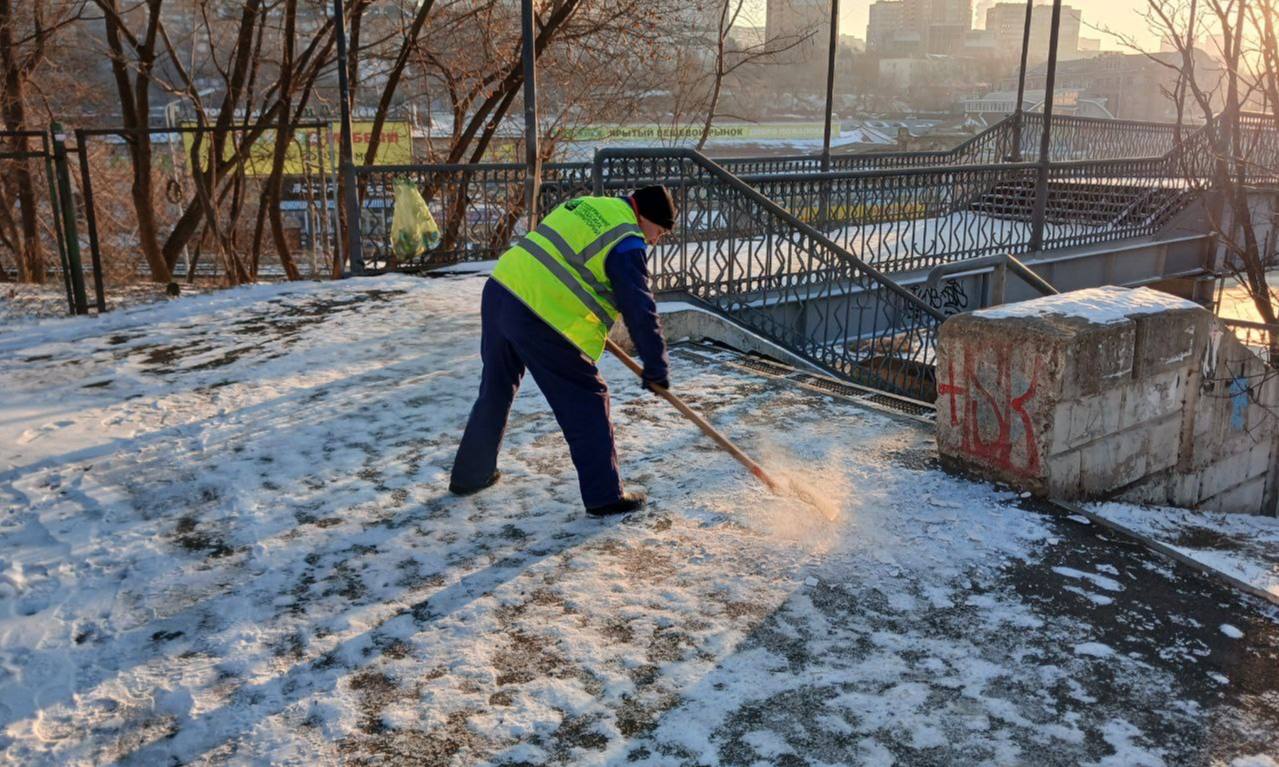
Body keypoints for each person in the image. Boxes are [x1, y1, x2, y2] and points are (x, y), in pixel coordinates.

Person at [449, 185, 677, 517]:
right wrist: (656, 363)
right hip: (538, 313)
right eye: (659, 231)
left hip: (502, 289)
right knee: (588, 399)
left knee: (496, 389)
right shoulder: (627, 239)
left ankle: (471, 475)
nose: (655, 240)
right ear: (644, 217)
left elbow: (566, 261)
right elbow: (638, 306)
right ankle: (604, 495)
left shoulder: (590, 204)